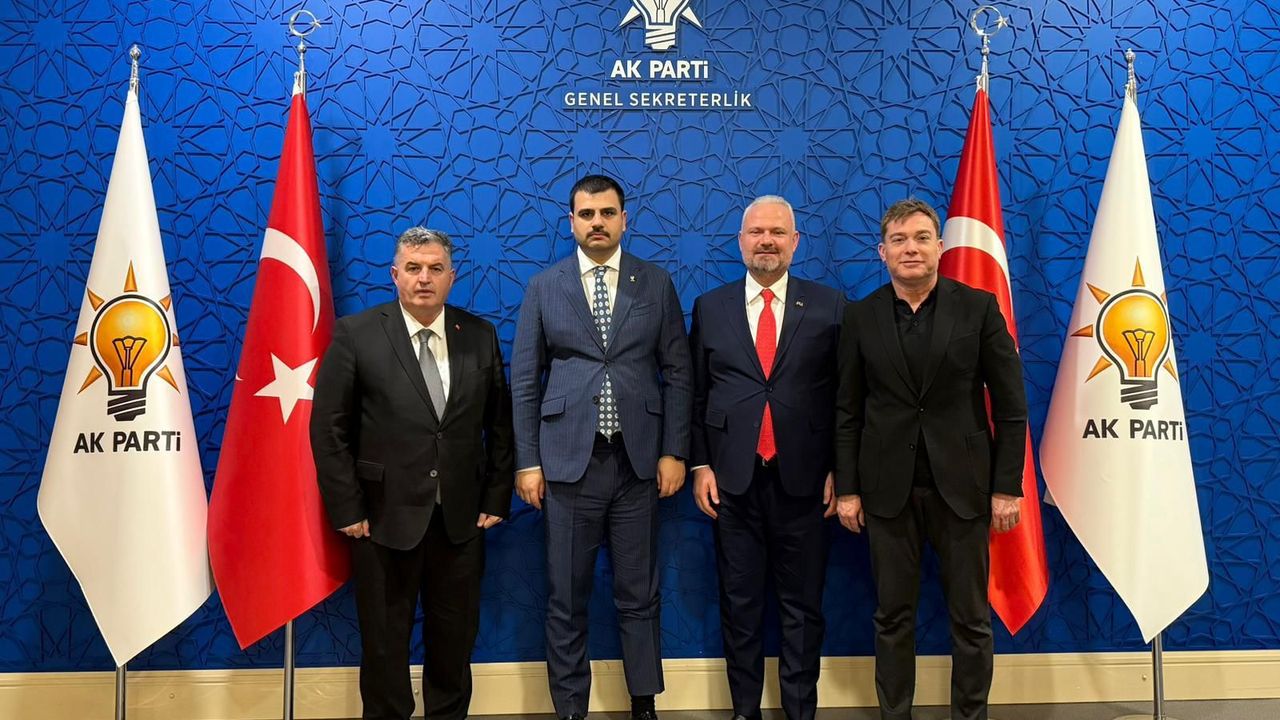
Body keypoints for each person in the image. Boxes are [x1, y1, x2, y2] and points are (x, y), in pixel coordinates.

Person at [834, 198, 1028, 720]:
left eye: (921, 238)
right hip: (886, 492)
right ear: (882, 252)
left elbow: (1011, 408)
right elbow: (847, 411)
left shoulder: (979, 308)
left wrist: (1006, 487)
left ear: (940, 246)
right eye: (899, 240)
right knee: (892, 617)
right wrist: (848, 489)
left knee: (971, 620)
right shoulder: (860, 317)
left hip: (964, 489)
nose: (911, 249)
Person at [311, 227, 515, 720]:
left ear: (452, 277)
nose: (424, 278)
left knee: (454, 644)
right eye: (414, 268)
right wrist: (347, 508)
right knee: (384, 647)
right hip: (380, 520)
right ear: (395, 275)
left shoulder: (479, 335)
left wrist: (495, 497)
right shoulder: (357, 333)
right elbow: (329, 428)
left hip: (460, 521)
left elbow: (500, 424)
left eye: (435, 269)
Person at [510, 174, 692, 720]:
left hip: (639, 465)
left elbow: (678, 372)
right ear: (571, 222)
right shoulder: (544, 286)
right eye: (586, 214)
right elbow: (525, 380)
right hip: (567, 466)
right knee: (567, 597)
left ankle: (643, 702)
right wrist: (527, 461)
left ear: (624, 219)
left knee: (639, 594)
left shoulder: (655, 282)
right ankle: (571, 708)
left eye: (607, 213)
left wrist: (674, 451)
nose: (597, 223)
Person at [688, 196, 844, 720]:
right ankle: (744, 711)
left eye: (778, 232)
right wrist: (700, 464)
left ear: (795, 242)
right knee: (740, 605)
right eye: (757, 232)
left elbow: (846, 398)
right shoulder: (710, 307)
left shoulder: (830, 306)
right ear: (741, 242)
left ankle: (800, 710)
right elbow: (696, 394)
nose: (767, 241)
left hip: (806, 483)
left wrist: (840, 469)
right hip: (732, 483)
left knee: (803, 608)